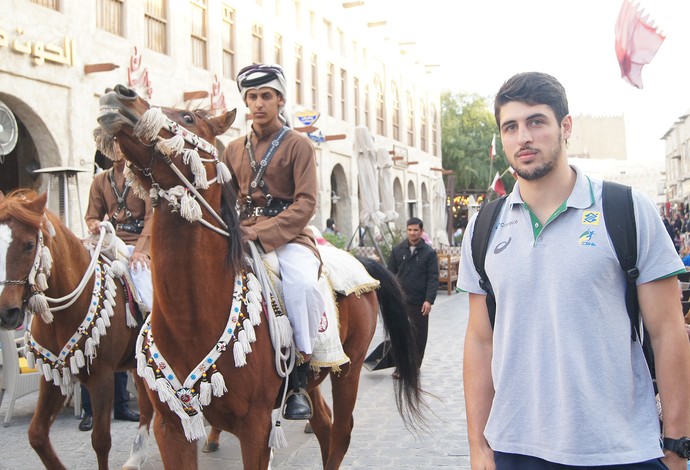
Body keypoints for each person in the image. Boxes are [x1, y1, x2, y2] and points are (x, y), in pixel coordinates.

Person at [458, 72, 690, 469]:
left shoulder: (626, 210)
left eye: (536, 122)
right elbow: (480, 341)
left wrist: (677, 446)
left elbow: (668, 331)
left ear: (565, 126)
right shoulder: (484, 227)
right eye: (510, 127)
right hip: (515, 448)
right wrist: (479, 446)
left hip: (619, 450)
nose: (523, 138)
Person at [222, 63, 323, 420]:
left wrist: (262, 231)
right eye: (252, 97)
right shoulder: (232, 149)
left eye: (267, 95)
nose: (259, 103)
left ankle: (300, 375)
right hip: (242, 235)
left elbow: (306, 203)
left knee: (302, 288)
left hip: (290, 238)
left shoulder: (299, 145)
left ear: (280, 100)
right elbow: (224, 199)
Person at [78, 142, 152, 431]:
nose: (117, 148)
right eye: (111, 144)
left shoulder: (143, 177)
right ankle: (90, 409)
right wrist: (95, 224)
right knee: (90, 302)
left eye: (120, 142)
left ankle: (151, 340)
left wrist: (142, 250)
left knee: (145, 288)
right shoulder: (99, 180)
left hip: (136, 247)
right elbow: (91, 215)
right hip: (108, 243)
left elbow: (151, 217)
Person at [388, 217, 438, 372]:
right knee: (400, 335)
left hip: (419, 302)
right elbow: (390, 275)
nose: (412, 233)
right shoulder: (397, 250)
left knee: (419, 337)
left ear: (421, 231)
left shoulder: (429, 253)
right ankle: (400, 367)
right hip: (400, 301)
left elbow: (433, 278)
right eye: (409, 230)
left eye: (416, 230)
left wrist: (429, 300)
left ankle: (415, 367)